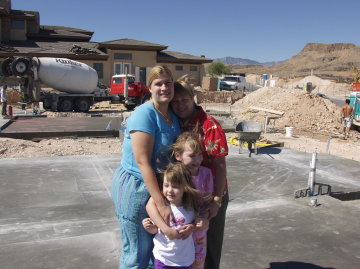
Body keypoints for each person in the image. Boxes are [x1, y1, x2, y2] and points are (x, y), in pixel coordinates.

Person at [110, 65, 181, 269]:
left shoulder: (171, 115)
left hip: (157, 186)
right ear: (149, 88)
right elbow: (142, 162)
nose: (164, 87)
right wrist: (160, 203)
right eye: (158, 83)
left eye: (168, 82)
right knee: (136, 253)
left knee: (154, 250)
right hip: (137, 187)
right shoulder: (145, 114)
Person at [171, 81, 228, 269]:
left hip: (210, 195)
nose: (180, 105)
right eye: (176, 101)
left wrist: (217, 200)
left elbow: (219, 166)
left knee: (208, 244)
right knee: (189, 244)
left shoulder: (209, 126)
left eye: (184, 99)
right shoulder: (178, 122)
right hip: (187, 194)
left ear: (193, 98)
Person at [144, 132, 214, 269]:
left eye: (200, 154)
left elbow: (207, 205)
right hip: (175, 242)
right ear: (178, 156)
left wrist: (201, 222)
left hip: (198, 234)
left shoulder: (206, 174)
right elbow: (152, 203)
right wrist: (163, 228)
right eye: (192, 156)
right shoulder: (174, 176)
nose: (198, 159)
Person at [143, 162, 199, 269]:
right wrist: (148, 226)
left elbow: (199, 224)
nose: (169, 190)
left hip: (184, 260)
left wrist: (192, 228)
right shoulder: (162, 207)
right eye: (166, 185)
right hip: (163, 258)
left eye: (175, 186)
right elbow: (156, 230)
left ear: (185, 188)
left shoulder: (190, 208)